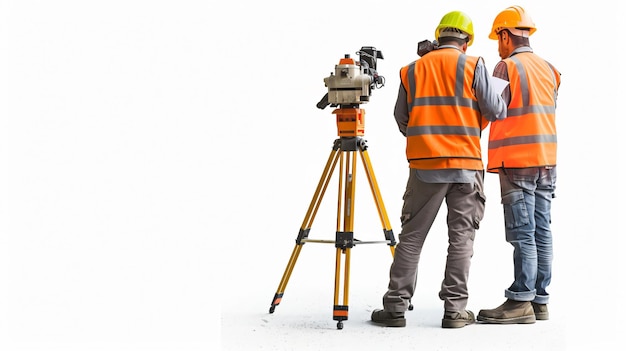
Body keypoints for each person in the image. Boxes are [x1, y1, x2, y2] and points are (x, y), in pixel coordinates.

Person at [370, 10, 506, 329]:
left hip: (424, 166)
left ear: (439, 36)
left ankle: (395, 307)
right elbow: (495, 110)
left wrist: (425, 136)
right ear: (466, 41)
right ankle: (455, 311)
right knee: (461, 238)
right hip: (466, 166)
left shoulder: (412, 70)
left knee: (412, 236)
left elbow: (402, 119)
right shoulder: (474, 65)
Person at [477, 5, 561, 324]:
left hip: (516, 162)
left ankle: (520, 300)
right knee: (542, 229)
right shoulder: (550, 69)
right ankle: (540, 300)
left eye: (497, 38)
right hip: (547, 162)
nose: (497, 45)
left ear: (505, 34)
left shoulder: (505, 67)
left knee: (522, 231)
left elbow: (493, 109)